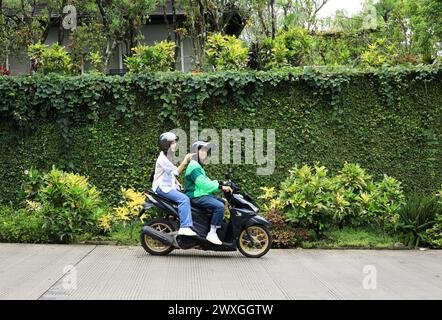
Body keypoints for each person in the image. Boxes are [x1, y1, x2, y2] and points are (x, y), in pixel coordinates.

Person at [184, 141, 233, 245]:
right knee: (219, 206)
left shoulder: (198, 166)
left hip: (200, 194)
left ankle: (216, 226)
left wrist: (220, 182)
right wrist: (220, 186)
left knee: (223, 202)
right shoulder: (194, 167)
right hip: (195, 196)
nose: (204, 153)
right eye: (202, 150)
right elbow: (204, 185)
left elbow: (206, 181)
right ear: (195, 152)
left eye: (206, 151)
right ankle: (212, 233)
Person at [152, 132, 196, 236]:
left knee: (185, 196)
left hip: (168, 185)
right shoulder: (163, 159)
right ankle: (185, 227)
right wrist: (185, 160)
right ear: (166, 145)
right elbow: (175, 171)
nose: (175, 144)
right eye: (173, 142)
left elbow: (169, 174)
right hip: (161, 187)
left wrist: (177, 182)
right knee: (184, 199)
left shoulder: (168, 156)